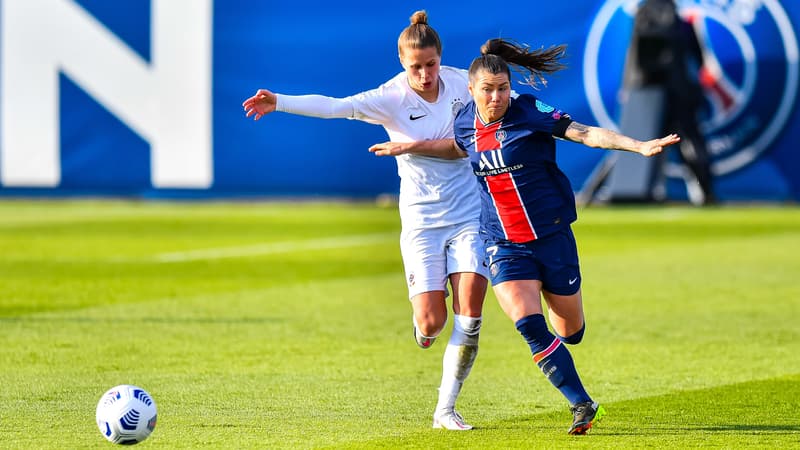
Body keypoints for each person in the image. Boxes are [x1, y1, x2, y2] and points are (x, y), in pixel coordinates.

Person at [242, 11, 487, 431]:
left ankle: (445, 409)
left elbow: (501, 97)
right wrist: (279, 101)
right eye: (416, 67)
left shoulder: (464, 83)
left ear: (440, 58)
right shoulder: (390, 98)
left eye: (430, 64)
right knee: (432, 323)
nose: (426, 75)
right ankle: (423, 326)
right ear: (402, 64)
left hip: (470, 214)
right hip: (423, 221)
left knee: (471, 314)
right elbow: (335, 107)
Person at [452, 38, 680, 434]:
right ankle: (582, 404)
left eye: (502, 88)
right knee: (527, 322)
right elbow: (452, 149)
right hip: (503, 243)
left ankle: (570, 352)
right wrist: (408, 147)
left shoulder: (528, 112)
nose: (496, 97)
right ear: (471, 90)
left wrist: (638, 146)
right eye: (487, 90)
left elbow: (585, 133)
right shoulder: (461, 123)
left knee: (570, 332)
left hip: (551, 237)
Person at [622, 0, 716, 205]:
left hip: (650, 94)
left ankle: (647, 190)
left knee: (647, 142)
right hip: (680, 92)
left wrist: (629, 86)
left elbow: (635, 57)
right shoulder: (683, 25)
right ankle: (704, 191)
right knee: (689, 142)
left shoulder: (643, 19)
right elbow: (699, 59)